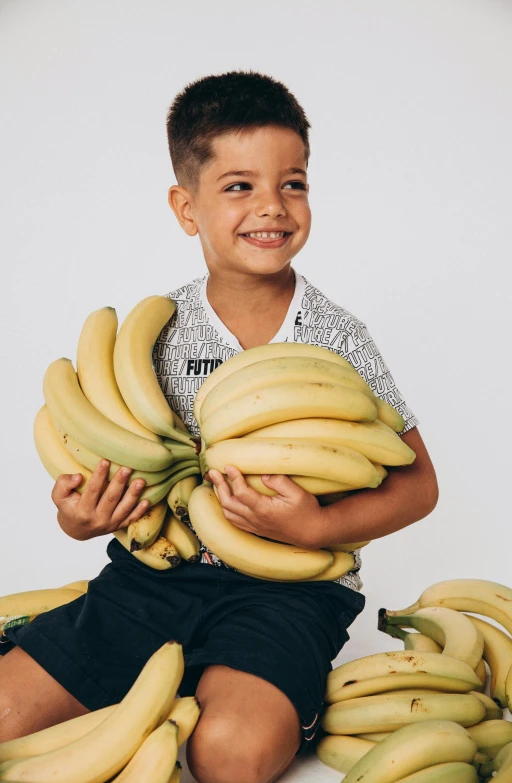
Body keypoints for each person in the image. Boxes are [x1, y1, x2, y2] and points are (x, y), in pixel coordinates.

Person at [0, 71, 438, 783]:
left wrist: (316, 529)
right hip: (152, 578)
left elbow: (418, 483)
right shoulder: (152, 333)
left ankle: (268, 691)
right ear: (186, 207)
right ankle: (166, 676)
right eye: (239, 186)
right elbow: (101, 460)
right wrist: (80, 517)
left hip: (291, 588)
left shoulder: (338, 336)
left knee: (227, 756)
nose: (272, 206)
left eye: (292, 183)